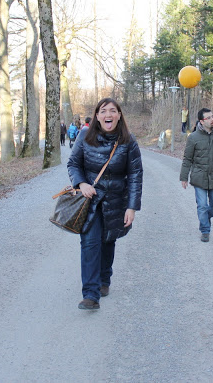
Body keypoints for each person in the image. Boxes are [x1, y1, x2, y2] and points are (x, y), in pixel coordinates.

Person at [67, 98, 143, 310]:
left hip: (116, 201)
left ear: (119, 115)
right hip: (90, 200)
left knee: (108, 241)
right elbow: (73, 163)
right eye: (103, 111)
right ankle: (90, 294)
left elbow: (135, 175)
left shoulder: (128, 140)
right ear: (97, 116)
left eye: (112, 111)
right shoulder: (85, 135)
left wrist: (131, 207)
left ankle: (104, 279)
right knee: (90, 243)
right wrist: (81, 183)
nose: (108, 114)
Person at [179, 108, 213, 242]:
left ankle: (206, 217)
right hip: (199, 177)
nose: (212, 120)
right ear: (201, 121)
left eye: (212, 117)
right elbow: (187, 159)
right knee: (202, 205)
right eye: (208, 118)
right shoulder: (193, 138)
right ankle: (205, 230)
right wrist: (184, 177)